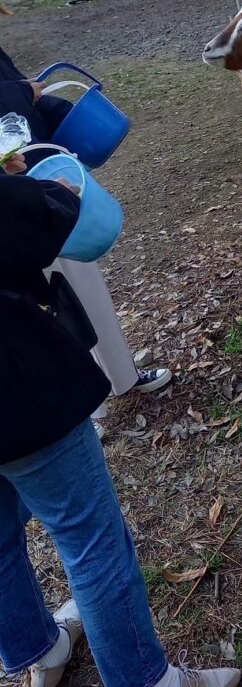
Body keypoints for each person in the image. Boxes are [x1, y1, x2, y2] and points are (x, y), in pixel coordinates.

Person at [0, 170, 241, 687]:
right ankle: (148, 683)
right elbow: (26, 220)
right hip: (14, 386)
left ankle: (40, 649)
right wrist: (45, 192)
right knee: (90, 537)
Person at [0, 41, 173, 433]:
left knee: (84, 279)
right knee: (48, 300)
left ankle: (123, 376)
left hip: (41, 175)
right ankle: (88, 410)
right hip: (14, 204)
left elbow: (20, 101)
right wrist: (21, 93)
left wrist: (55, 109)